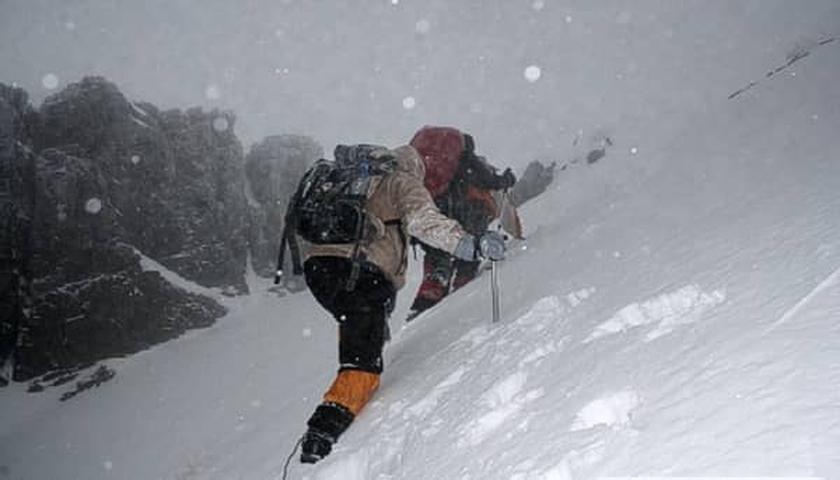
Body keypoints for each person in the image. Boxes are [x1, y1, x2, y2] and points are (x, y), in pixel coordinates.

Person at [296, 144, 506, 464]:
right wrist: (470, 245)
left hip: (319, 270)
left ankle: (361, 345)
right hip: (362, 271)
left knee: (355, 318)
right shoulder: (401, 181)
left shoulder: (353, 180)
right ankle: (321, 436)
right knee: (362, 365)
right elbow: (425, 221)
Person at [406, 128, 516, 321]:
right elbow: (490, 181)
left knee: (437, 251)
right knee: (470, 250)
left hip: (434, 215)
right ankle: (463, 284)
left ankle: (431, 290)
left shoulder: (426, 168)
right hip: (467, 215)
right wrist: (506, 179)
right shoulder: (468, 162)